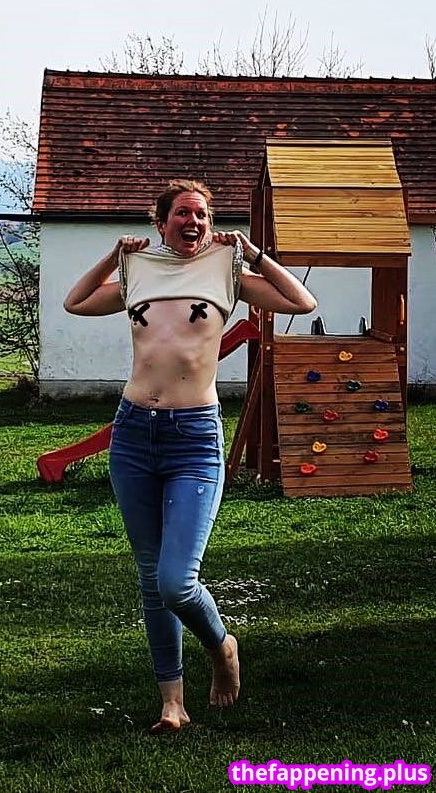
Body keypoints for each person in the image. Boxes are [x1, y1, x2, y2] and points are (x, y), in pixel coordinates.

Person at [63, 179, 316, 734]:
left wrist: (252, 252)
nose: (193, 222)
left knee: (176, 580)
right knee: (151, 578)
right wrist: (113, 255)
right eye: (182, 213)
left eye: (201, 213)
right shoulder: (138, 271)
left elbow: (302, 302)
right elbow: (75, 302)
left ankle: (222, 646)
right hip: (133, 434)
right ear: (161, 222)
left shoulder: (226, 269)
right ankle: (171, 703)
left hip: (194, 437)